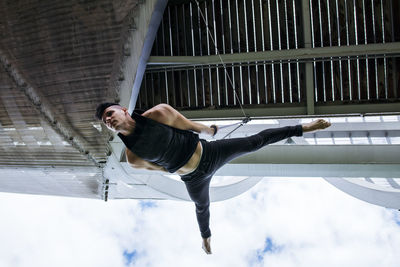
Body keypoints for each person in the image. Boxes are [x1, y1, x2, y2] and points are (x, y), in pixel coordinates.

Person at [95, 103, 331, 254]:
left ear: (124, 110)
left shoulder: (158, 113)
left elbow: (188, 125)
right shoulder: (133, 157)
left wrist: (208, 130)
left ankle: (303, 128)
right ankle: (206, 238)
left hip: (210, 152)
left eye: (109, 113)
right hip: (193, 178)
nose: (108, 120)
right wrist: (180, 167)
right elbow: (161, 169)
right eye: (105, 121)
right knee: (201, 205)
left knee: (255, 142)